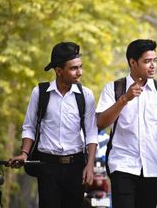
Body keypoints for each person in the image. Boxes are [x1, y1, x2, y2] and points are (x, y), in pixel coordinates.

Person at [7, 42, 98, 208]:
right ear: (58, 71)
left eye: (80, 67)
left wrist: (90, 165)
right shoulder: (40, 93)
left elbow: (92, 133)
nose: (80, 72)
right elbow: (29, 126)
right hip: (47, 165)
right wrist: (24, 153)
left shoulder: (86, 95)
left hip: (75, 165)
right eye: (73, 68)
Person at [96, 39, 157, 208]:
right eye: (147, 61)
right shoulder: (113, 89)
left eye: (154, 61)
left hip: (153, 165)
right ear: (132, 62)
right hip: (122, 164)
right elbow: (100, 123)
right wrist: (125, 99)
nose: (153, 66)